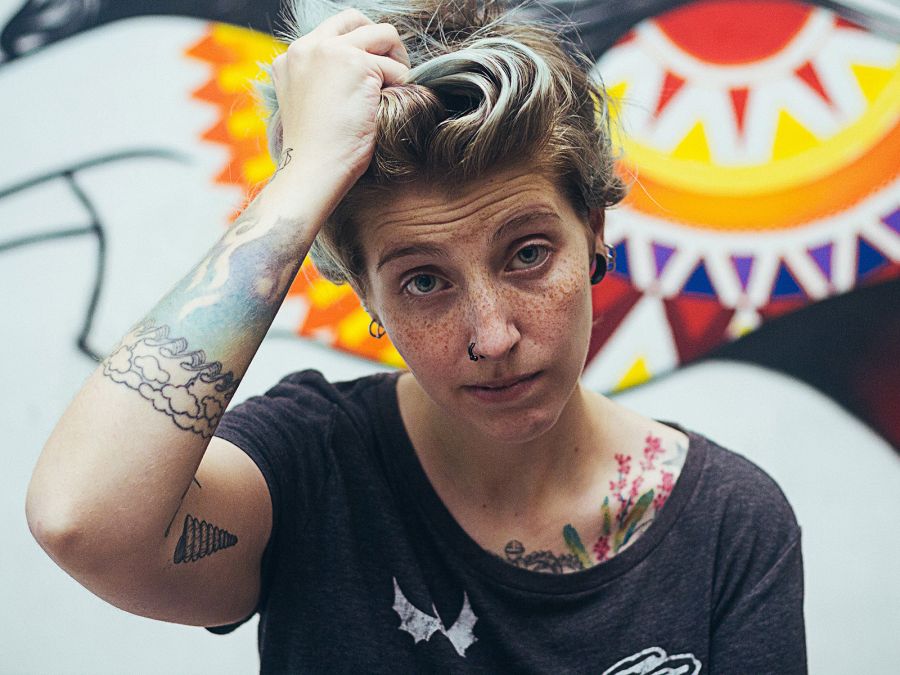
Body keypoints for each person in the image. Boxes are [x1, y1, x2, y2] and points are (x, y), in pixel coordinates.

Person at [25, 0, 806, 671]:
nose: (492, 336)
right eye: (424, 281)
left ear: (594, 229)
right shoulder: (312, 467)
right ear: (366, 291)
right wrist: (305, 174)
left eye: (528, 254)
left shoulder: (731, 525)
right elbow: (82, 518)